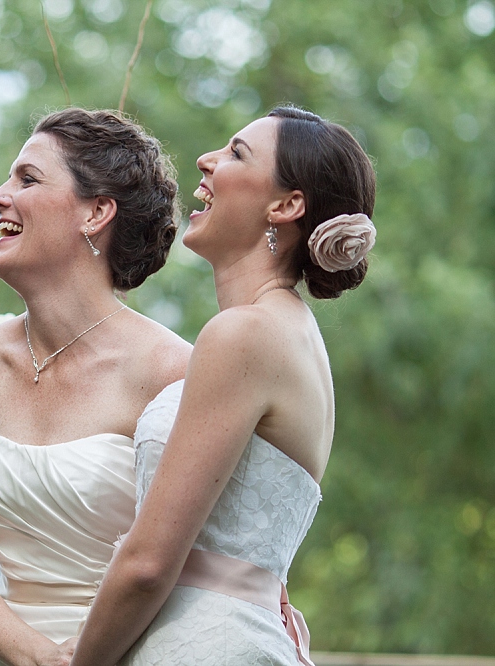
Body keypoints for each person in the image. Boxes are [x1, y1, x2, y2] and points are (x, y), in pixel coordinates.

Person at [70, 106, 377, 665]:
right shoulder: (286, 331)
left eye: (236, 153)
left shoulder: (246, 334)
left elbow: (148, 565)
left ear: (286, 206)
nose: (206, 161)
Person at [0, 108, 192, 666]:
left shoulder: (173, 373)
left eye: (27, 179)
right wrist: (36, 657)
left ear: (96, 212)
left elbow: (192, 563)